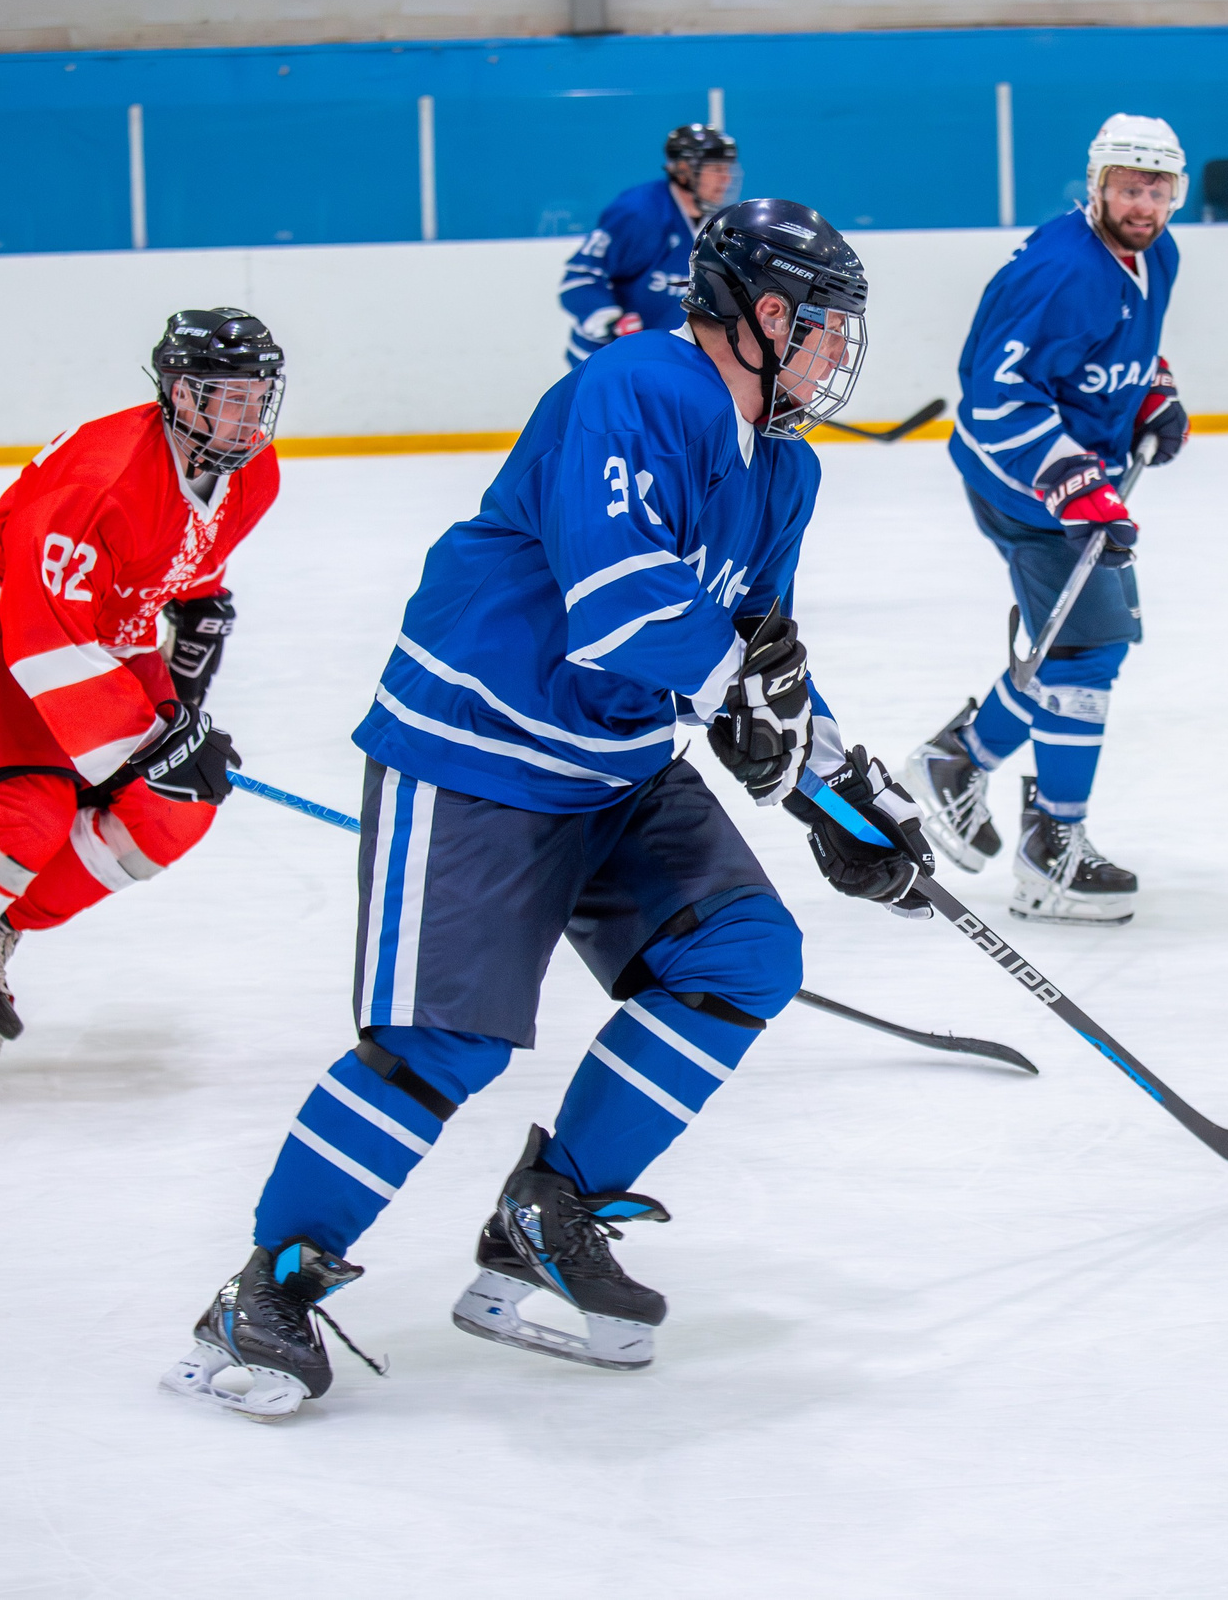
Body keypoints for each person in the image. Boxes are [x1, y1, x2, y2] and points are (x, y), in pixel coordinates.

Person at [163, 199, 936, 1421]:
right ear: (768, 316)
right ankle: (267, 1289)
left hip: (615, 762)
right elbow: (622, 609)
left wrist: (844, 793)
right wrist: (756, 708)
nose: (843, 356)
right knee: (441, 1043)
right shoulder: (635, 387)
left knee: (744, 954)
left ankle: (550, 1213)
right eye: (831, 329)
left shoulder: (785, 468)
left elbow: (753, 656)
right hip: (478, 750)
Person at [0, 310, 282, 1105]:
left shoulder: (254, 475)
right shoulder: (97, 475)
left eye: (258, 395)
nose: (246, 416)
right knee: (28, 811)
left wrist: (198, 626)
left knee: (176, 806)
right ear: (180, 394)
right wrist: (144, 739)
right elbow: (43, 641)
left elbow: (178, 559)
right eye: (225, 396)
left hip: (104, 628)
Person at [903, 115, 1187, 928]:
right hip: (1022, 485)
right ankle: (1049, 850)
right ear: (1097, 186)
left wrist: (1153, 394)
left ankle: (959, 764)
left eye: (1158, 188)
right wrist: (1072, 484)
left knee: (1076, 647)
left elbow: (1123, 347)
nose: (1145, 203)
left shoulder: (1155, 252)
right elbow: (995, 399)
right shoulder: (1058, 270)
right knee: (1086, 652)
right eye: (1130, 187)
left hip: (1071, 483)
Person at [557, 123, 740, 366]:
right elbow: (579, 279)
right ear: (684, 170)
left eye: (727, 169)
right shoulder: (638, 213)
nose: (725, 179)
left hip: (661, 362)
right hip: (605, 361)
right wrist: (612, 320)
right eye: (716, 169)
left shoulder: (720, 224)